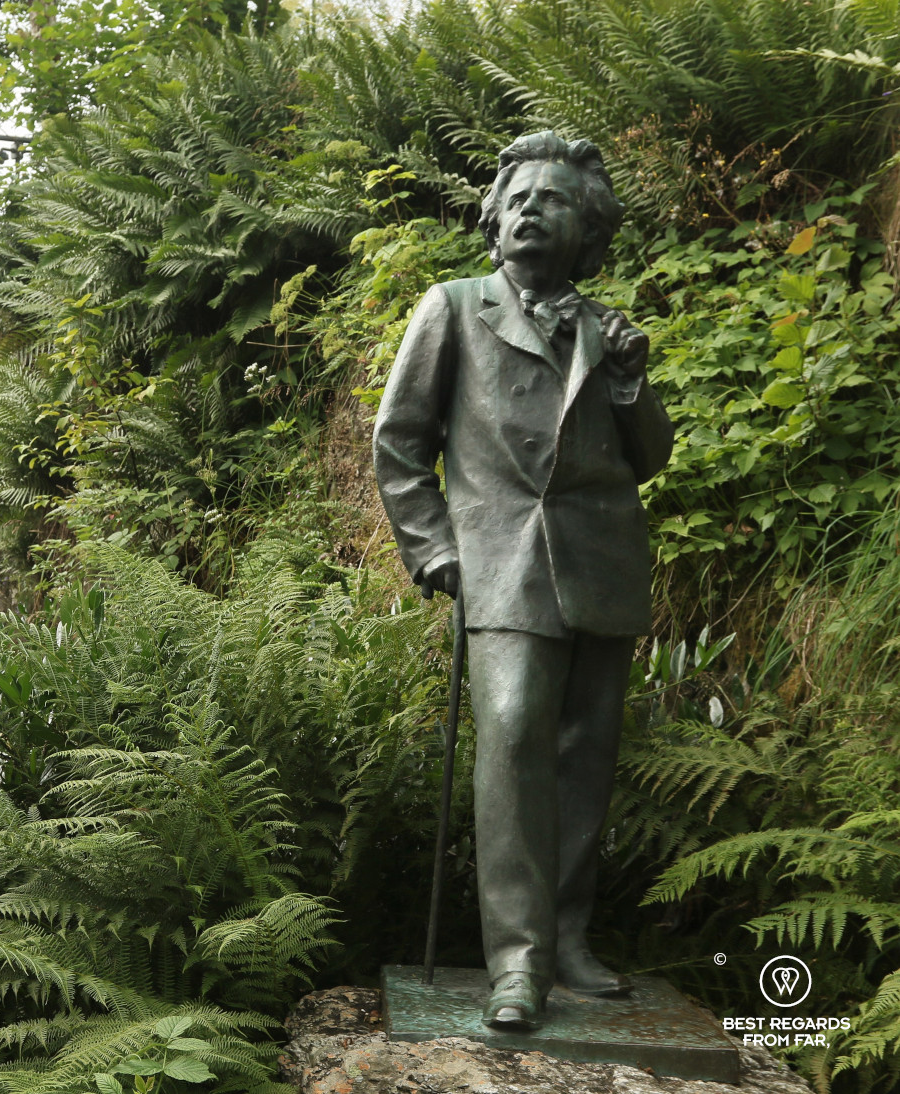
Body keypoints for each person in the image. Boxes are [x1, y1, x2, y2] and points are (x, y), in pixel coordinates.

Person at [372, 131, 674, 1029]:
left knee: (586, 758)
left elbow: (649, 457)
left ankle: (569, 938)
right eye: (519, 200)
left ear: (587, 229)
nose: (533, 209)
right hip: (498, 563)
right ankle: (518, 960)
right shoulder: (455, 307)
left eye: (555, 200)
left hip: (603, 563)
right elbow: (399, 445)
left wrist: (628, 380)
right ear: (495, 223)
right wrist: (434, 551)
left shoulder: (603, 327)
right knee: (510, 739)